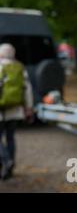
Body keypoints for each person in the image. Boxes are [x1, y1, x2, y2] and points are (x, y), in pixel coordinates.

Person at [0, 43, 33, 180]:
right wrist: (29, 107)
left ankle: (6, 160)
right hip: (15, 109)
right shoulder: (20, 67)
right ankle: (10, 167)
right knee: (10, 137)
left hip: (1, 110)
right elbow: (27, 89)